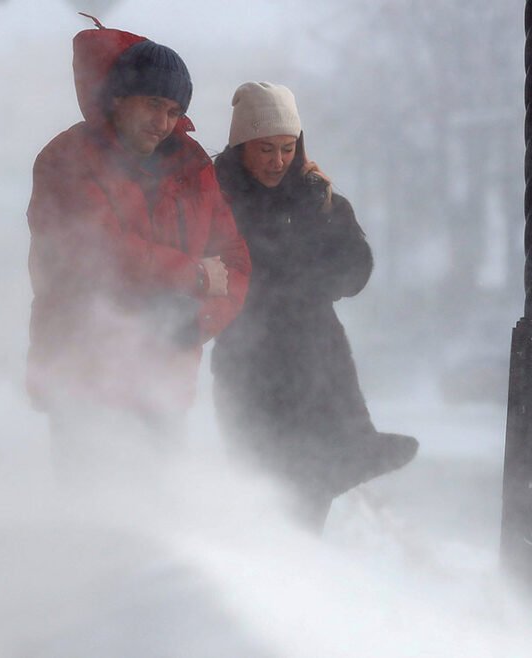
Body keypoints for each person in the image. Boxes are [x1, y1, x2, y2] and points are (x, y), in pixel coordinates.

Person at [26, 21, 250, 460]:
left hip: (164, 379)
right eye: (152, 105)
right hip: (85, 371)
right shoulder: (67, 158)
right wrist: (196, 277)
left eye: (172, 110)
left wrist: (198, 321)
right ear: (118, 98)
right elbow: (99, 250)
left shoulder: (192, 164)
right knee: (92, 508)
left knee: (157, 508)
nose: (163, 122)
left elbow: (235, 261)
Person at [210, 82, 418, 531]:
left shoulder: (313, 196)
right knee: (262, 480)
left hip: (315, 357)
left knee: (308, 490)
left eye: (287, 148)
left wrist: (319, 224)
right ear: (241, 145)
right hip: (249, 361)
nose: (277, 161)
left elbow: (355, 271)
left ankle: (299, 574)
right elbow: (223, 270)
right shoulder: (214, 197)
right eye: (265, 149)